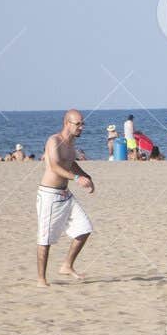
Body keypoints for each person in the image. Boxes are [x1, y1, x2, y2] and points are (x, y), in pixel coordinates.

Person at [37, 110, 95, 286]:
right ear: (66, 123)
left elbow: (71, 163)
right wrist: (77, 179)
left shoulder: (71, 144)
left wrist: (87, 177)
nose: (81, 127)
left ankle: (67, 265)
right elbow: (54, 166)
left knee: (85, 228)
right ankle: (41, 279)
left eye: (82, 123)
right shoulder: (54, 141)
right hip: (50, 194)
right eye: (78, 124)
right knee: (45, 239)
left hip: (65, 194)